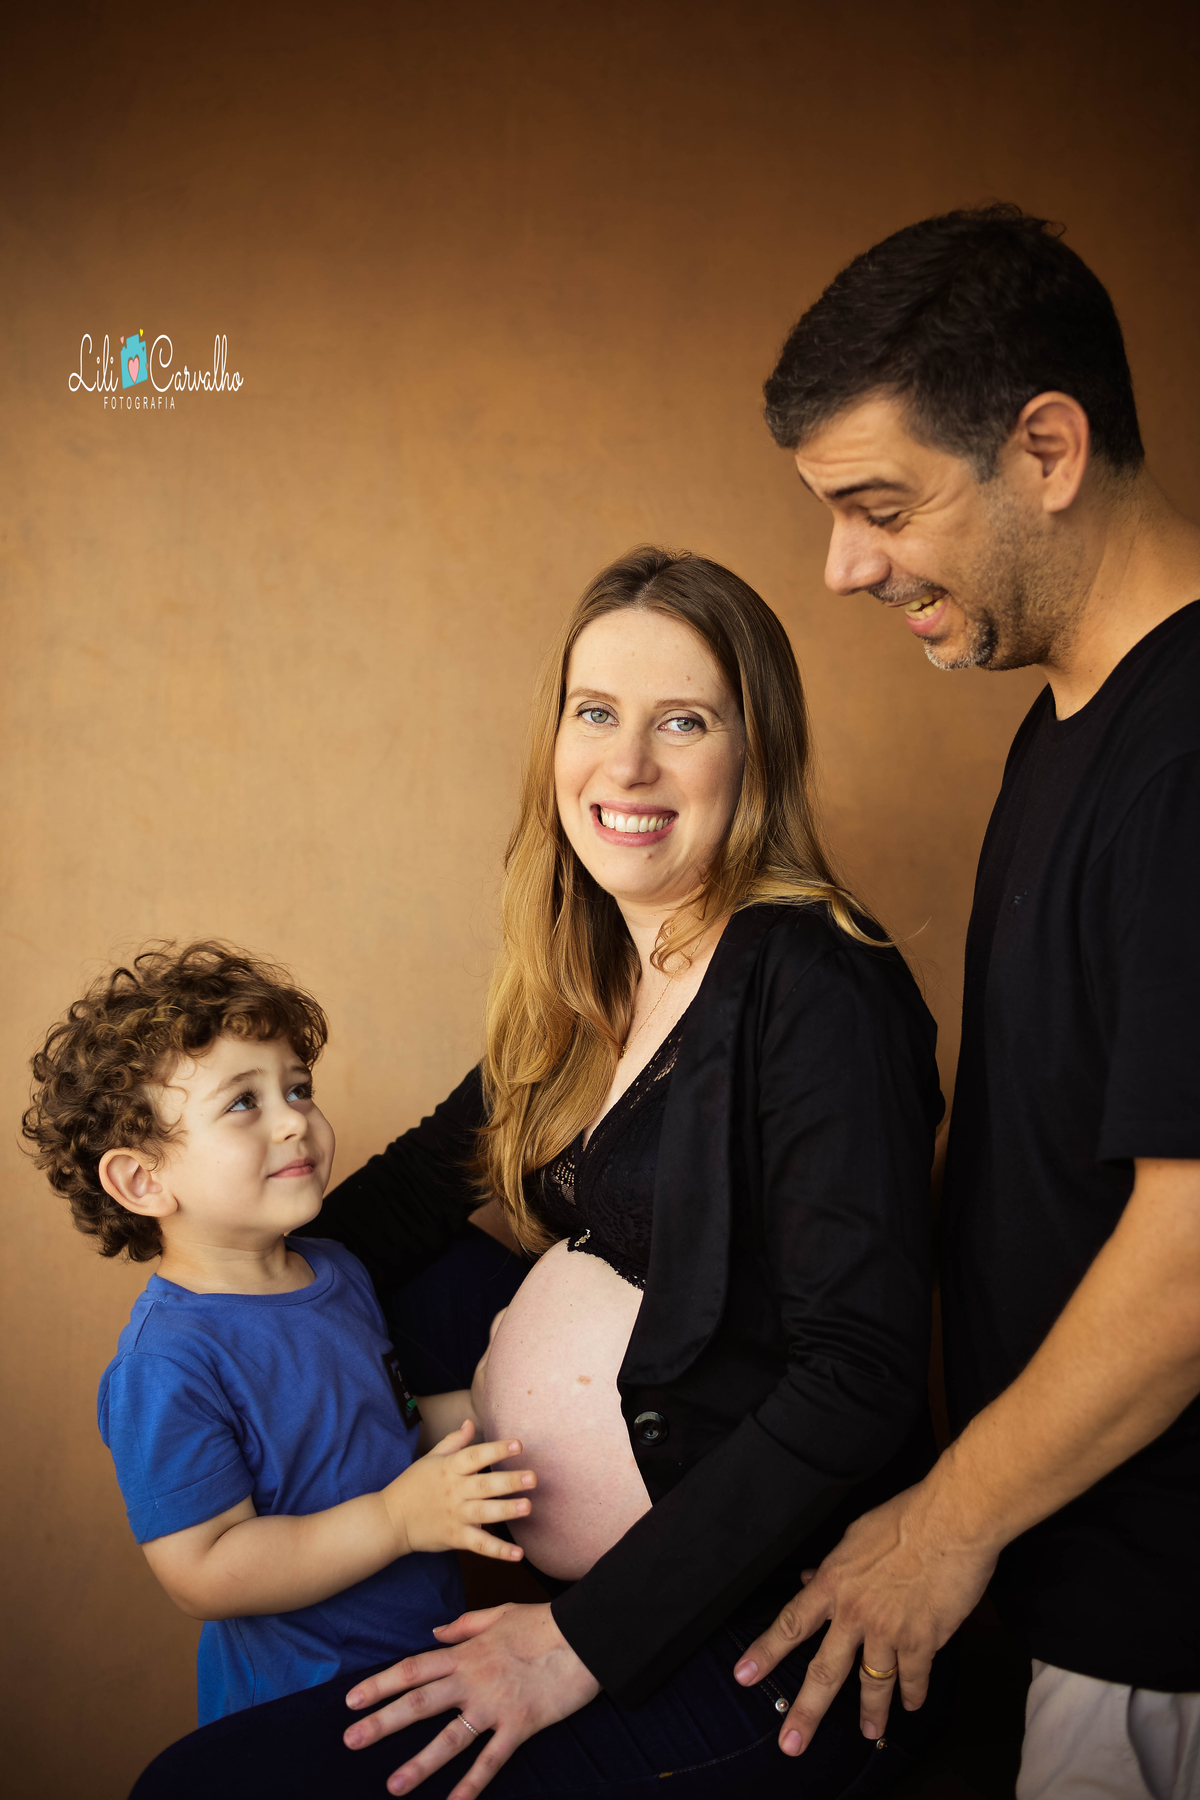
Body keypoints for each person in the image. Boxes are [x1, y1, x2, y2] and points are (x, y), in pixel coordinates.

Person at [128, 548, 949, 1799]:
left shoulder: (818, 985)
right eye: (596, 715)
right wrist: (215, 1313)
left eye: (684, 722)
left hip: (746, 1635)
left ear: (757, 753)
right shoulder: (587, 982)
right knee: (375, 1273)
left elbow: (858, 1379)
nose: (628, 767)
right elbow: (407, 1195)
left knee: (195, 1794)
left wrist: (574, 1647)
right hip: (578, 1587)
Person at [737, 205, 1200, 1800]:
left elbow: (1197, 1243)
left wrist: (942, 1524)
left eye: (880, 506)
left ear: (1048, 447)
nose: (844, 566)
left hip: (1160, 1634)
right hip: (1052, 1573)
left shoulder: (1193, 747)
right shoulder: (1070, 717)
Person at [23, 943, 537, 1725]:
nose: (294, 1120)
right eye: (244, 1103)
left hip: (424, 1663)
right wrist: (397, 1521)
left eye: (298, 1088)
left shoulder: (335, 1273)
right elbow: (205, 1568)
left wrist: (508, 1389)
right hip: (304, 1700)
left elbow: (384, 1428)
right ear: (142, 1180)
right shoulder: (165, 1363)